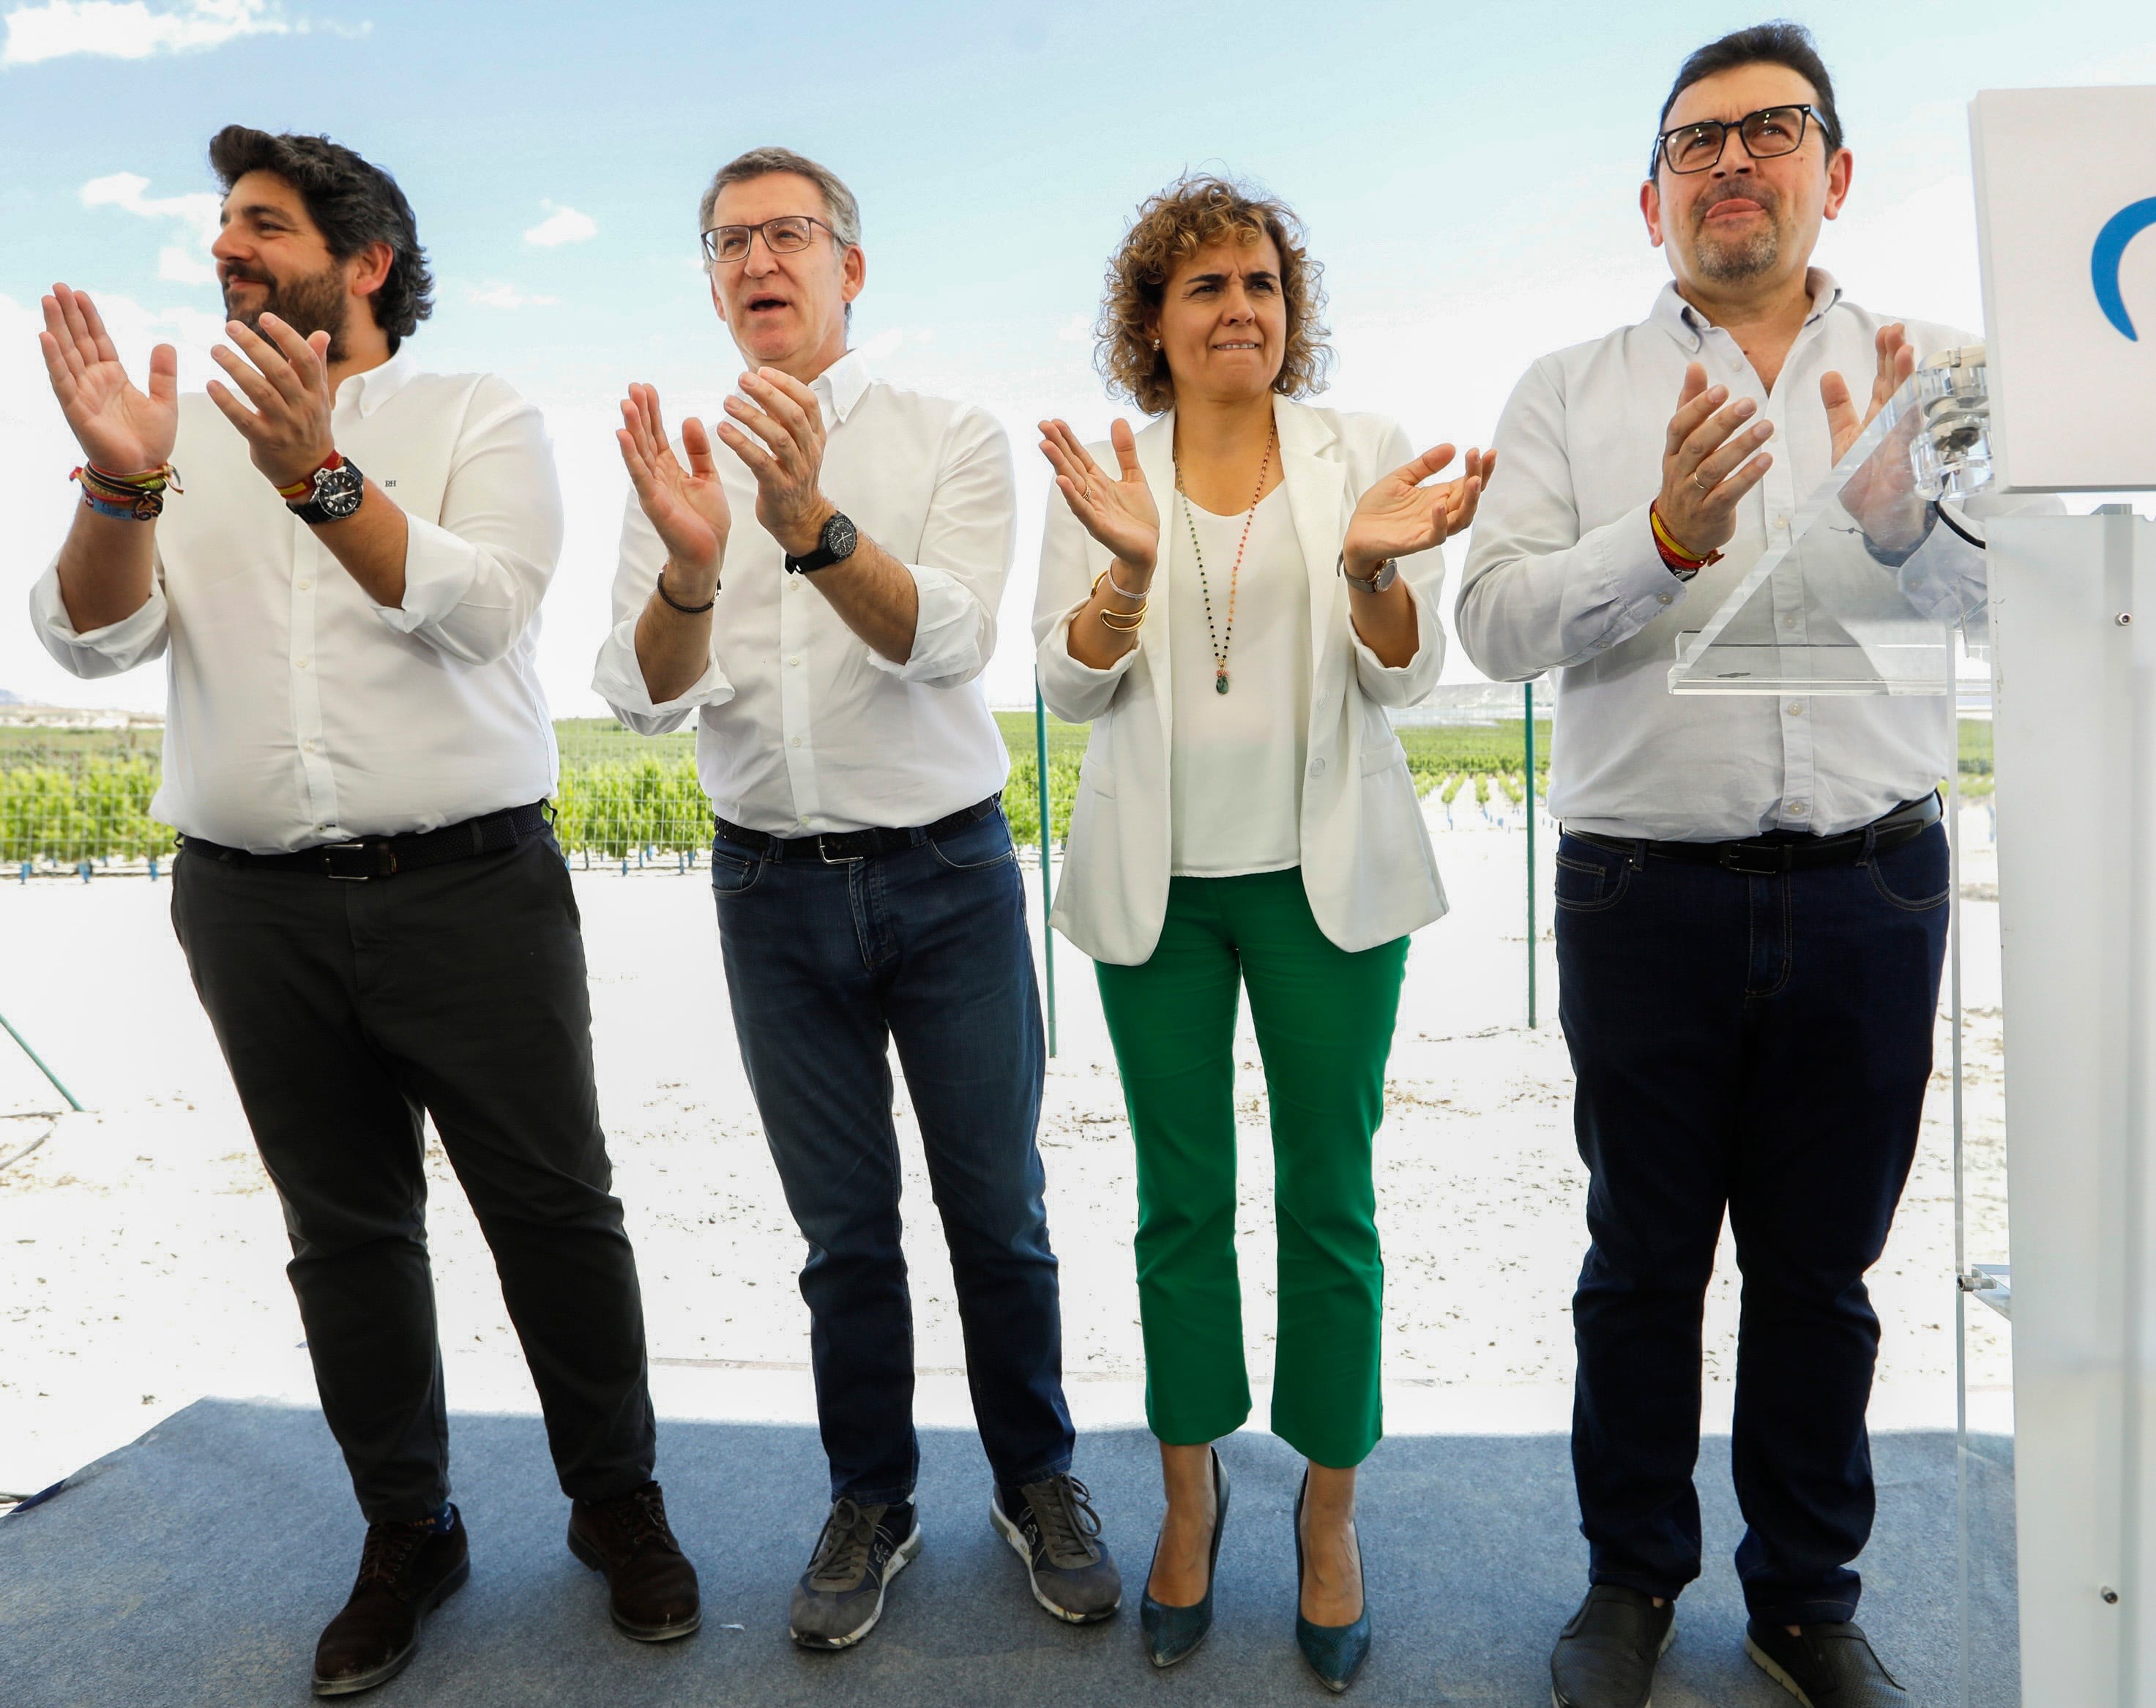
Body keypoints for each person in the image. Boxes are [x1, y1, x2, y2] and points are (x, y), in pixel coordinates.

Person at [28, 127, 695, 1698]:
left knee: (553, 1212)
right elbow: (88, 640)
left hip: (470, 892)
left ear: (368, 260)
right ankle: (410, 1530)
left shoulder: (478, 412)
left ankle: (620, 1509)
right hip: (251, 911)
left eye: (262, 225)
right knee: (344, 1237)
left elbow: (482, 611)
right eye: (222, 228)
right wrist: (126, 480)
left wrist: (316, 476)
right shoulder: (165, 430)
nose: (226, 250)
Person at [1455, 26, 2020, 1708]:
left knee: (1819, 1273)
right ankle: (1629, 1580)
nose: (1730, 164)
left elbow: (2020, 607)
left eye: (1769, 132)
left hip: (1873, 886)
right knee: (1639, 1263)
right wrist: (1661, 540)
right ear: (1652, 198)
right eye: (1695, 142)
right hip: (1642, 894)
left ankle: (1803, 1599)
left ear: (1833, 173)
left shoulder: (1947, 368)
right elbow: (1489, 622)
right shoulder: (1568, 391)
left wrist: (1911, 527)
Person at [592, 146, 1119, 1651]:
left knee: (997, 1212)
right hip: (766, 886)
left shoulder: (949, 434)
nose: (758, 262)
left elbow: (945, 642)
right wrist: (694, 566)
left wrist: (809, 521)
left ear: (849, 268)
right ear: (710, 281)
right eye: (728, 243)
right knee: (842, 1234)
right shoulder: (673, 459)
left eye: (787, 236)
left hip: (947, 873)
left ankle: (1037, 1479)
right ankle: (870, 1497)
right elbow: (638, 697)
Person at [1033, 175, 1485, 1693]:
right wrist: (1127, 572)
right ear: (1150, 325)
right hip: (1153, 895)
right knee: (1178, 1202)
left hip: (1326, 881)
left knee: (1329, 1203)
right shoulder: (1108, 467)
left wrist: (1369, 571)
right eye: (1205, 287)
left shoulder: (1356, 451)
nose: (1240, 308)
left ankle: (1330, 1515)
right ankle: (1186, 1496)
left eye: (1261, 285)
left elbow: (1404, 677)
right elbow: (1071, 686)